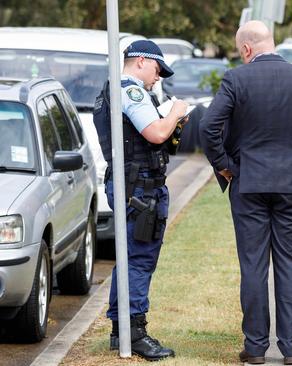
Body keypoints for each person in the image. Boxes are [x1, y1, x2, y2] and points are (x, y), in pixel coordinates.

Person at [199, 21, 292, 365]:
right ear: (271, 43)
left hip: (249, 183)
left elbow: (208, 127)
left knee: (253, 266)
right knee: (291, 264)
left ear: (245, 49)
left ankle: (255, 347)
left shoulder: (236, 79)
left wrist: (226, 165)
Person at [93, 39, 189, 361]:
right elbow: (156, 134)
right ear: (141, 62)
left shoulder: (113, 89)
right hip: (140, 191)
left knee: (130, 257)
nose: (158, 77)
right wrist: (175, 113)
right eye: (158, 69)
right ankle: (135, 333)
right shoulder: (131, 91)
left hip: (133, 187)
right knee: (139, 261)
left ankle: (121, 330)